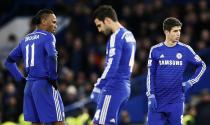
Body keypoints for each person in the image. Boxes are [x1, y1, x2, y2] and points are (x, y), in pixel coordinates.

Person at [4, 9, 65, 125]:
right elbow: (52, 55)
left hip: (29, 87)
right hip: (44, 83)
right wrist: (53, 77)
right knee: (58, 120)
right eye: (53, 22)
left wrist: (20, 79)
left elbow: (8, 62)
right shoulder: (48, 36)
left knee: (35, 122)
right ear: (44, 21)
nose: (55, 25)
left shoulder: (25, 39)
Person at [146, 17, 206, 125]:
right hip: (157, 101)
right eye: (175, 31)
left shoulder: (185, 49)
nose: (178, 33)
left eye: (179, 30)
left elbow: (202, 65)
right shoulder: (155, 50)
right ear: (166, 32)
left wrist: (190, 82)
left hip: (176, 101)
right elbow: (151, 74)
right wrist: (151, 95)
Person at [90, 5, 136, 125]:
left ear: (107, 20)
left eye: (99, 25)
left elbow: (112, 65)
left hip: (114, 87)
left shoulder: (116, 37)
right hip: (124, 87)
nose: (99, 30)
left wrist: (99, 85)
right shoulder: (129, 35)